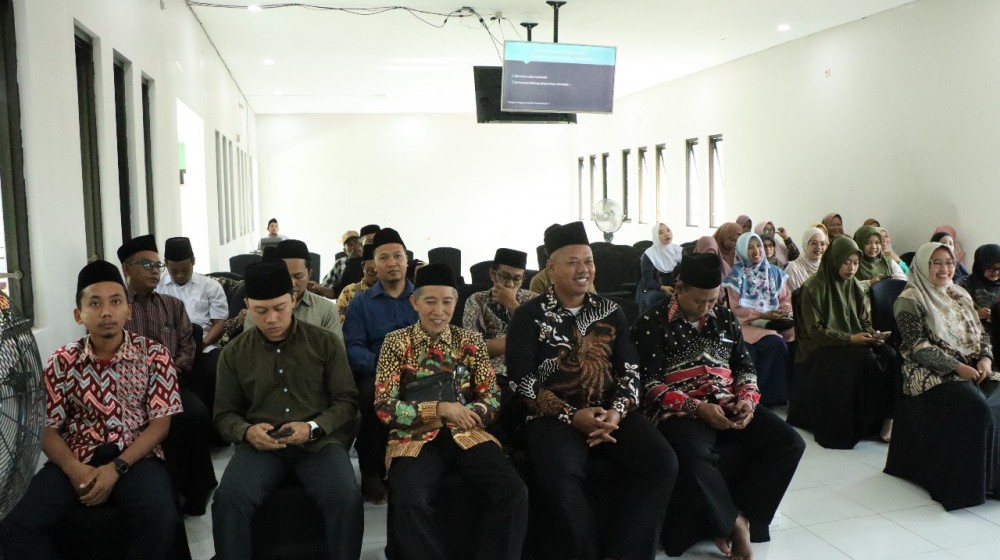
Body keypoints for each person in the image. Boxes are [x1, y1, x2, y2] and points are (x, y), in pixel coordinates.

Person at [506, 221, 677, 560]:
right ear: (551, 267)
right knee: (559, 477)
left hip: (610, 410)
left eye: (588, 260)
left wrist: (617, 411)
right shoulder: (528, 316)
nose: (583, 269)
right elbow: (521, 381)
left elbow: (630, 369)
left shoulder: (611, 311)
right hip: (553, 416)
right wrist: (572, 416)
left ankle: (628, 552)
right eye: (572, 262)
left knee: (662, 462)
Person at [0, 261, 183, 560]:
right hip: (77, 454)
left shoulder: (155, 355)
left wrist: (116, 468)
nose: (106, 312)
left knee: (161, 519)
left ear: (129, 310)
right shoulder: (62, 360)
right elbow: (46, 427)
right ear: (79, 314)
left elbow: (160, 425)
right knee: (12, 523)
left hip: (135, 456)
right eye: (95, 304)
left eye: (115, 302)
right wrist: (75, 470)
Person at [632, 253, 804, 559]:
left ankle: (749, 516)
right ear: (680, 288)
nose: (706, 308)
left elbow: (744, 366)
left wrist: (747, 399)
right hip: (681, 410)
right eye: (700, 301)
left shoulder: (723, 318)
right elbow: (649, 385)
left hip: (727, 400)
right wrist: (696, 408)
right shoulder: (651, 323)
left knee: (790, 442)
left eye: (713, 300)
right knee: (692, 456)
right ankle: (732, 523)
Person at [375, 263, 528, 559]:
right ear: (414, 302)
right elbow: (384, 406)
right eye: (430, 301)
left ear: (455, 303)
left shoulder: (470, 342)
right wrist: (441, 409)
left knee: (514, 491)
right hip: (415, 439)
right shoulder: (395, 342)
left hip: (467, 434)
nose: (439, 311)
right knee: (409, 499)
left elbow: (491, 396)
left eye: (447, 302)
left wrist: (469, 413)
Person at [211, 260, 363, 559]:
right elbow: (223, 414)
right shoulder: (234, 353)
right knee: (229, 500)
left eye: (279, 308)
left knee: (346, 497)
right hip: (261, 446)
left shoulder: (324, 343)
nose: (271, 319)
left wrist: (313, 427)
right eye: (260, 310)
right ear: (247, 305)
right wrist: (247, 432)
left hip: (317, 443)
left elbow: (346, 400)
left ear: (293, 299)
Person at [889, 241, 1000, 510]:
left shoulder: (960, 294)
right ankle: (965, 487)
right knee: (975, 406)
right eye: (936, 263)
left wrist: (986, 358)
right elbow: (917, 347)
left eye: (949, 263)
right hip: (928, 370)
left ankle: (992, 481)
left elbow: (980, 333)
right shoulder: (908, 300)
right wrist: (957, 367)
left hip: (972, 365)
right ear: (922, 265)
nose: (945, 269)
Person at [118, 235, 216, 515]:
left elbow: (188, 345)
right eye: (146, 264)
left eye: (157, 265)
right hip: (127, 391)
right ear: (127, 269)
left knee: (194, 413)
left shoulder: (172, 306)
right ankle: (159, 493)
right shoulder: (118, 308)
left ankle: (194, 492)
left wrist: (166, 373)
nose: (155, 271)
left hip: (170, 385)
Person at [789, 236, 896, 448]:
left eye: (856, 263)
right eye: (846, 262)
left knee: (889, 354)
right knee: (862, 357)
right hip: (818, 347)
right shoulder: (813, 287)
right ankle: (850, 426)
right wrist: (849, 339)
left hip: (852, 340)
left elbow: (864, 321)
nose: (851, 268)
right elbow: (814, 331)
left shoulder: (855, 285)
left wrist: (873, 335)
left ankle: (882, 420)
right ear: (835, 260)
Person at [344, 227, 419, 504]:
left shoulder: (422, 298)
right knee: (371, 397)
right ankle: (372, 473)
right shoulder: (360, 303)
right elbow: (353, 346)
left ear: (407, 260)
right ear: (373, 265)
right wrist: (382, 364)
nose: (392, 262)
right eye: (384, 258)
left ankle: (412, 468)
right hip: (377, 371)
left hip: (421, 368)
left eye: (398, 256)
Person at [722, 232, 795, 406]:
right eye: (750, 247)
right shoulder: (735, 276)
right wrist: (761, 315)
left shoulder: (775, 273)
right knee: (747, 351)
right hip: (744, 324)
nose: (756, 251)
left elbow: (786, 300)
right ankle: (749, 398)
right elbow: (735, 309)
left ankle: (774, 398)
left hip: (770, 325)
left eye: (758, 246)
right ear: (741, 250)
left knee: (777, 346)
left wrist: (782, 313)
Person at [157, 236, 229, 410]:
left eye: (185, 269)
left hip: (204, 346)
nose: (180, 275)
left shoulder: (210, 286)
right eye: (174, 270)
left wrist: (200, 345)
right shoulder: (157, 286)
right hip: (167, 348)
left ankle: (214, 416)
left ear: (194, 262)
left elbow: (220, 323)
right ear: (166, 264)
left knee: (215, 371)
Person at [245, 239, 343, 340]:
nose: (292, 283)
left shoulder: (326, 310)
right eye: (285, 277)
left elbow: (335, 348)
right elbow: (249, 346)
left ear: (309, 274)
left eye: (298, 276)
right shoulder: (258, 310)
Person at [636, 223, 682, 315]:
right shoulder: (649, 255)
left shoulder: (679, 251)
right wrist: (662, 288)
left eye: (668, 230)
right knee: (656, 297)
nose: (666, 234)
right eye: (661, 232)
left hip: (676, 286)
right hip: (654, 287)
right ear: (655, 236)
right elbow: (648, 281)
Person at [960, 244, 1000, 336]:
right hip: (971, 334)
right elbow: (954, 315)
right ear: (981, 266)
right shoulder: (965, 285)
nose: (996, 272)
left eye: (999, 268)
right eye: (991, 268)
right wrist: (976, 314)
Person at [312, 229, 364, 299]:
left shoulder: (370, 260)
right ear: (345, 250)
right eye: (350, 245)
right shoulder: (340, 263)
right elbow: (326, 285)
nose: (354, 247)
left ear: (362, 244)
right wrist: (317, 287)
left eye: (356, 242)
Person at [337, 243, 378, 325]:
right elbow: (338, 324)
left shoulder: (393, 291)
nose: (377, 276)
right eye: (372, 271)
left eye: (380, 271)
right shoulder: (349, 292)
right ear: (363, 268)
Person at [785, 227, 827, 292]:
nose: (819, 247)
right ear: (806, 244)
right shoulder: (793, 269)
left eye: (822, 244)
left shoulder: (826, 268)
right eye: (814, 243)